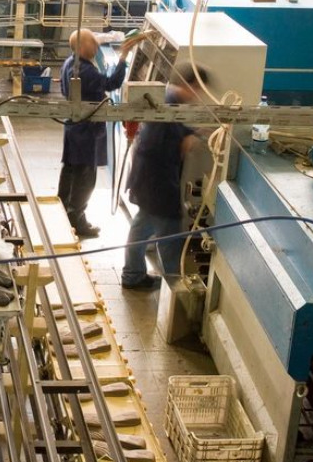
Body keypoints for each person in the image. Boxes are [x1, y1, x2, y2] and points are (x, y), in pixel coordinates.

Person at [121, 62, 210, 291]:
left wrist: (192, 133)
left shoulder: (169, 97)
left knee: (140, 229)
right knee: (170, 237)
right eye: (198, 89)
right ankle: (177, 289)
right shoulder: (170, 103)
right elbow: (158, 143)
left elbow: (173, 128)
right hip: (157, 184)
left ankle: (132, 275)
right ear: (190, 86)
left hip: (146, 180)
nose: (199, 95)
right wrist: (183, 143)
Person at [58, 29, 137, 239]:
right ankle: (77, 220)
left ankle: (62, 211)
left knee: (70, 172)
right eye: (93, 44)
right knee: (85, 178)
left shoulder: (69, 63)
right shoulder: (85, 71)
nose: (96, 48)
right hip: (86, 131)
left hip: (74, 128)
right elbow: (112, 84)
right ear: (82, 47)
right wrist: (123, 57)